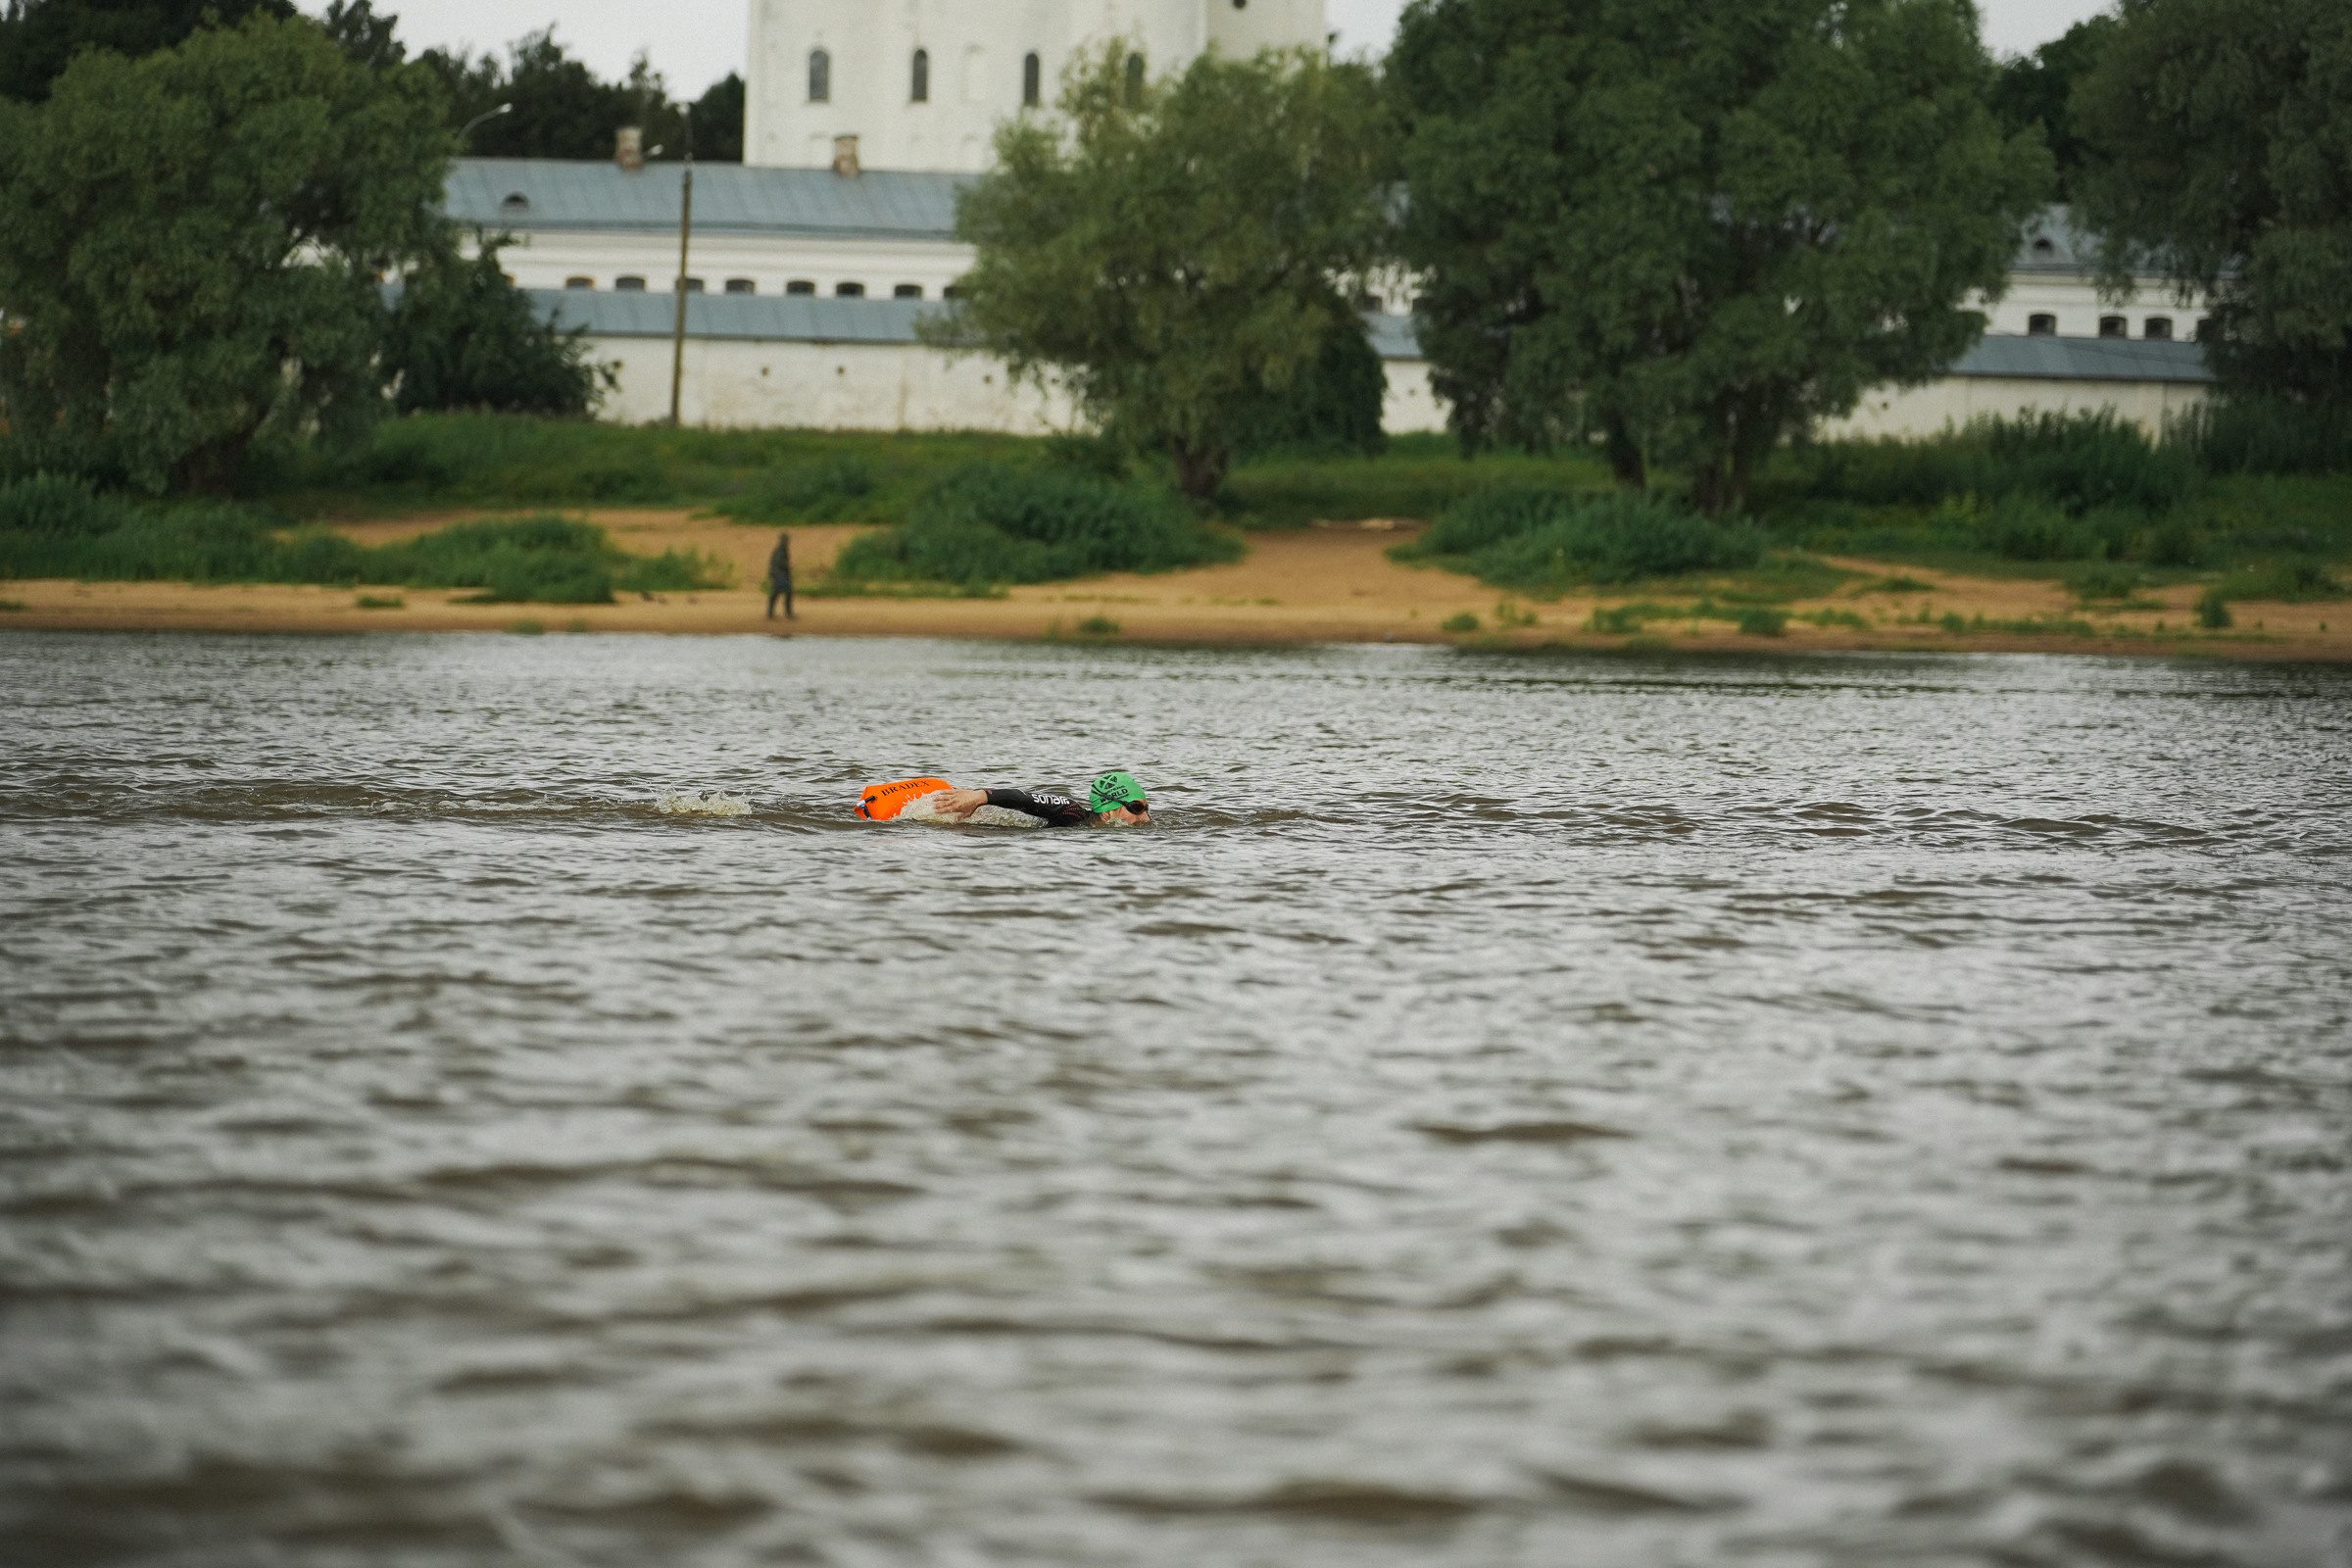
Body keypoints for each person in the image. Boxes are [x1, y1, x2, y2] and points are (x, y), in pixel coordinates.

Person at [931, 770, 1152, 828]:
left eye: (1146, 808)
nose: (1146, 817)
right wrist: (978, 797)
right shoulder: (1072, 812)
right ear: (1107, 812)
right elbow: (1025, 799)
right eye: (1136, 808)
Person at [765, 532, 794, 620]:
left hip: (779, 574)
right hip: (779, 575)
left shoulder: (781, 549)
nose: (789, 541)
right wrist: (788, 564)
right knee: (785, 592)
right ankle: (787, 613)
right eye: (788, 540)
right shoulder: (781, 550)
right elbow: (779, 563)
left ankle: (771, 613)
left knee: (779, 593)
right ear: (784, 541)